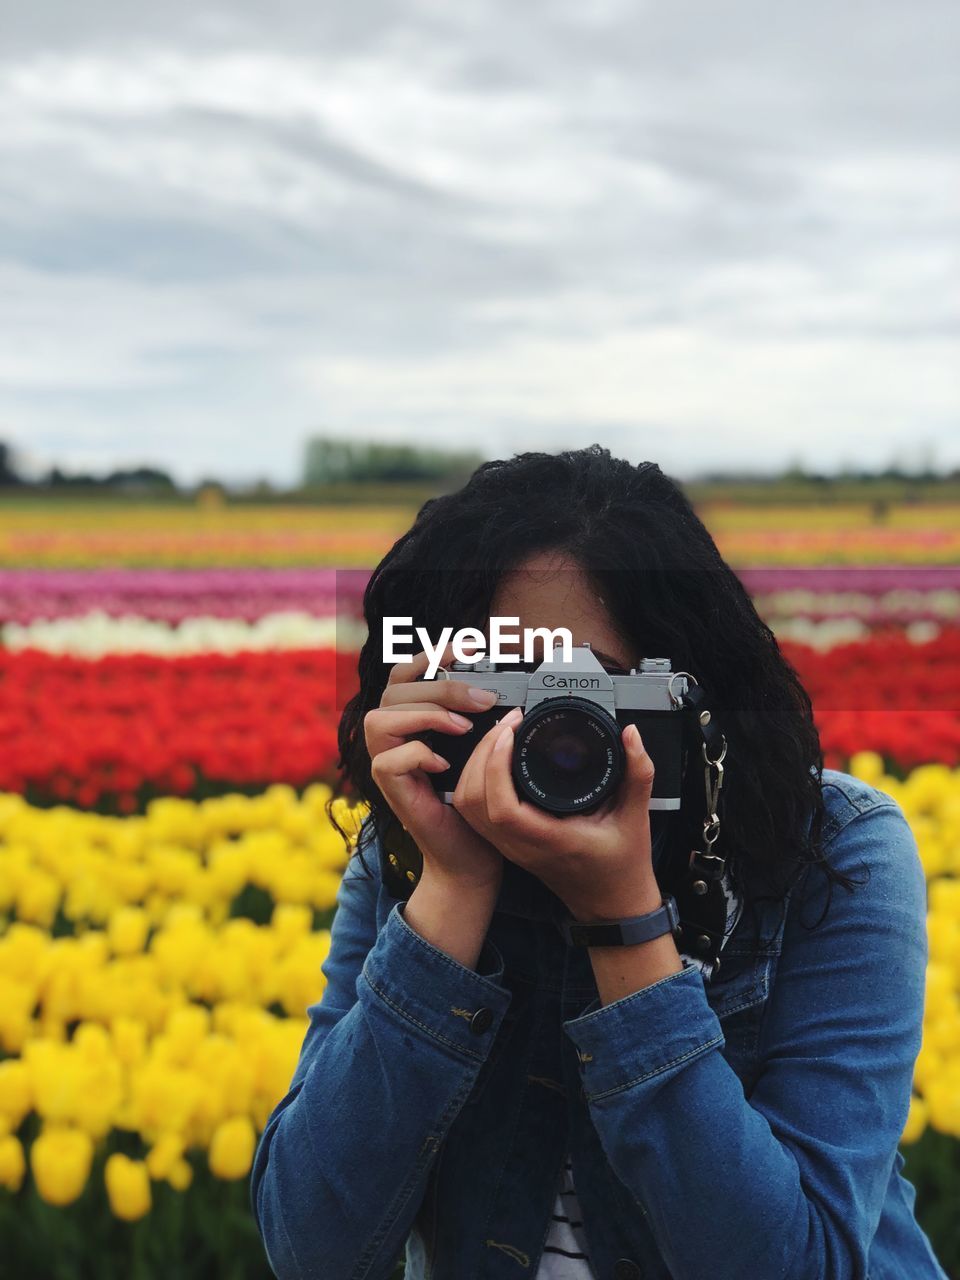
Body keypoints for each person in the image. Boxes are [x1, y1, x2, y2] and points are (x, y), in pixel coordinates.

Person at [250, 446, 948, 1280]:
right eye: (508, 690)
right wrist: (452, 891)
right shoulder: (419, 850)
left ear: (693, 694)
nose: (559, 735)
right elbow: (311, 1251)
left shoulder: (829, 848)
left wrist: (625, 925)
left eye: (597, 691)